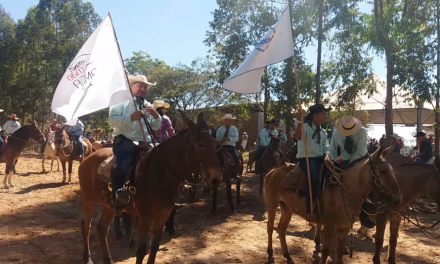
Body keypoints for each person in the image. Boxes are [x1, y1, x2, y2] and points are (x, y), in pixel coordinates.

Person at [108, 74, 161, 214]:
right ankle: (117, 196)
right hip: (125, 139)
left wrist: (156, 116)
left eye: (145, 87)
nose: (142, 89)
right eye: (140, 86)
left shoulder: (148, 105)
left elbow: (155, 127)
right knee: (123, 164)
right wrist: (130, 117)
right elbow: (111, 121)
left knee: (163, 160)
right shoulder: (120, 102)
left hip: (146, 141)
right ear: (131, 86)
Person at [294, 104, 331, 222]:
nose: (325, 117)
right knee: (314, 180)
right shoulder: (304, 127)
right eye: (323, 114)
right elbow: (298, 137)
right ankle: (310, 209)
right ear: (314, 115)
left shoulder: (324, 132)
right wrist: (299, 121)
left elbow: (326, 147)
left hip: (321, 158)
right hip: (307, 158)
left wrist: (327, 156)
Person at [216, 114, 240, 180]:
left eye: (231, 121)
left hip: (231, 146)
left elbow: (236, 138)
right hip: (222, 146)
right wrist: (220, 140)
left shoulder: (234, 129)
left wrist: (228, 139)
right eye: (229, 121)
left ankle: (236, 173)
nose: (230, 122)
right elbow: (217, 138)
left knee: (236, 157)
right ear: (225, 121)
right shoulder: (220, 129)